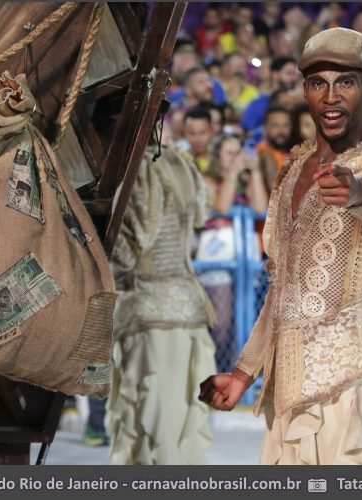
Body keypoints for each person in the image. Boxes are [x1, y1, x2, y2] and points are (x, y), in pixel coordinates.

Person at [199, 27, 362, 465]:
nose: (332, 96)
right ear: (306, 91)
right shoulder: (291, 173)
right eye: (319, 83)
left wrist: (359, 187)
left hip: (356, 382)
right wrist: (243, 374)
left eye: (346, 82)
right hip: (290, 395)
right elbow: (280, 291)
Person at [106, 141, 217, 465]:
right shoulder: (179, 161)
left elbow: (132, 246)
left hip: (148, 311)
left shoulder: (136, 166)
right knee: (177, 426)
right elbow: (199, 216)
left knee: (152, 429)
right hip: (188, 309)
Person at [197, 135, 269, 373]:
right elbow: (221, 207)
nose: (235, 158)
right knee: (221, 322)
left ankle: (234, 374)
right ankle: (214, 369)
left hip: (245, 262)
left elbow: (260, 208)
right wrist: (232, 174)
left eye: (238, 153)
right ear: (218, 156)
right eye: (229, 153)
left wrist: (255, 171)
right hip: (217, 260)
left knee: (243, 322)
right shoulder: (208, 181)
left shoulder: (246, 181)